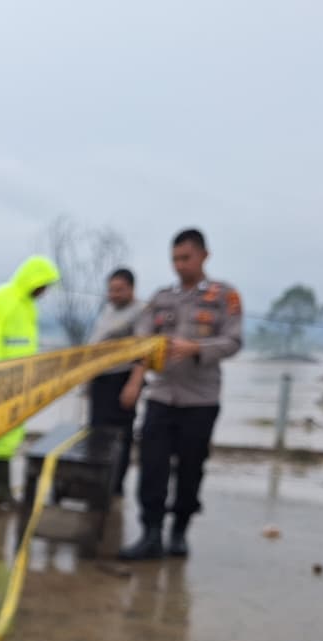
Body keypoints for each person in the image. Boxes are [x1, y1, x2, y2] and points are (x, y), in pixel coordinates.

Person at [118, 229, 242, 560]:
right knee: (151, 467)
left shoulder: (223, 296)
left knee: (190, 469)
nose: (179, 265)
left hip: (199, 400)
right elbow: (142, 342)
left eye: (186, 258)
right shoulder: (161, 298)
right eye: (174, 259)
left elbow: (233, 341)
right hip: (161, 397)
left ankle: (179, 532)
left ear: (204, 256)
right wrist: (135, 380)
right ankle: (151, 534)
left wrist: (196, 348)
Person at [0, 255, 60, 509]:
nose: (44, 291)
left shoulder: (29, 306)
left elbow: (26, 348)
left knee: (8, 439)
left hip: (19, 387)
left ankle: (2, 492)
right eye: (43, 285)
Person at [88, 268, 147, 495]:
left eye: (119, 290)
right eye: (111, 290)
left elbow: (144, 352)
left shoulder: (141, 312)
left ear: (132, 288)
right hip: (100, 380)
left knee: (119, 437)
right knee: (97, 432)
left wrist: (134, 384)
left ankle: (115, 487)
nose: (114, 294)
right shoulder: (108, 310)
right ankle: (98, 481)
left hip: (121, 381)